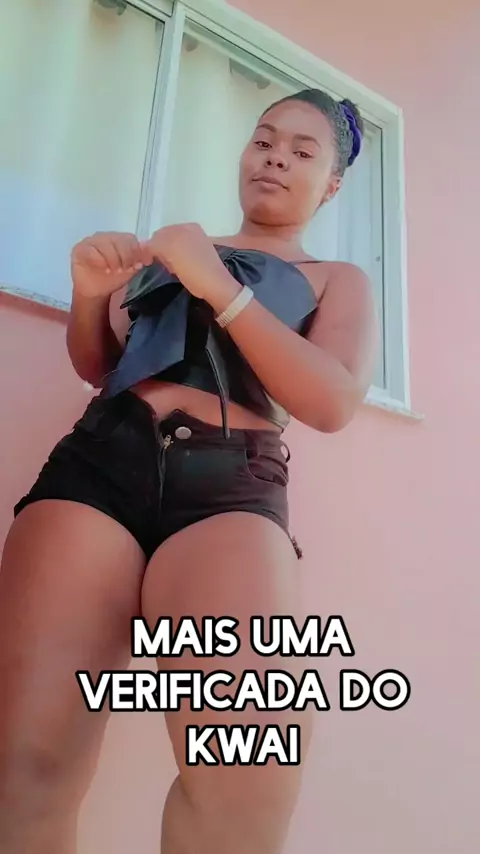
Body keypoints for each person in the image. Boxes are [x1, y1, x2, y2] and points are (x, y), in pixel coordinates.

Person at [0, 88, 378, 854]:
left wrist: (220, 287)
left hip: (230, 485)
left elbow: (332, 401)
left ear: (331, 185)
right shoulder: (175, 248)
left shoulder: (336, 275)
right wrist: (90, 294)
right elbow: (100, 364)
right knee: (24, 763)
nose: (275, 157)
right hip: (99, 464)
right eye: (263, 139)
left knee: (249, 773)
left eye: (302, 151)